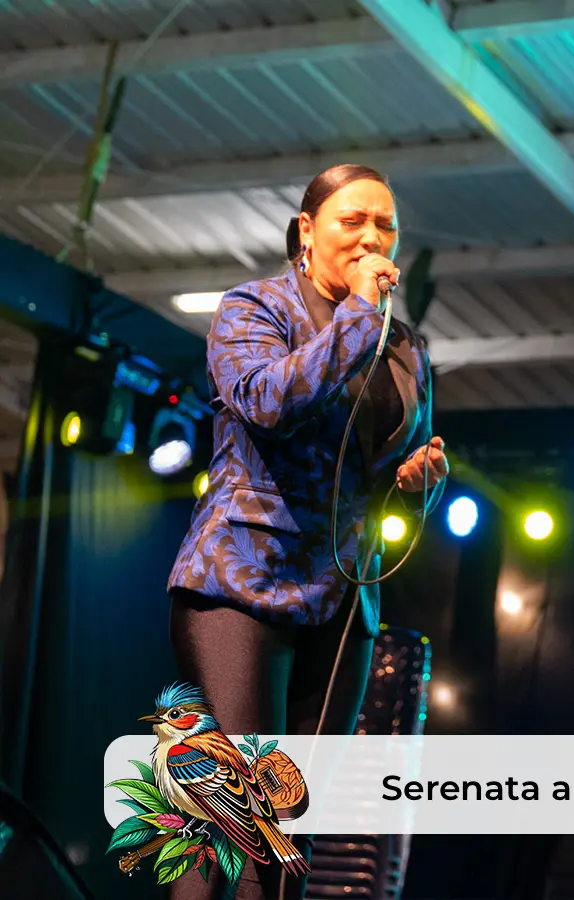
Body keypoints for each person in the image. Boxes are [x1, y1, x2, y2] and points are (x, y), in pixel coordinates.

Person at [166, 164, 448, 900]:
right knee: (237, 812)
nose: (370, 237)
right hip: (242, 583)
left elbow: (381, 478)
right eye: (351, 220)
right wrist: (358, 313)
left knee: (293, 824)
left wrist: (418, 486)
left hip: (341, 597)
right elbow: (265, 401)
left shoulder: (406, 348)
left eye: (384, 224)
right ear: (307, 230)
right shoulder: (252, 309)